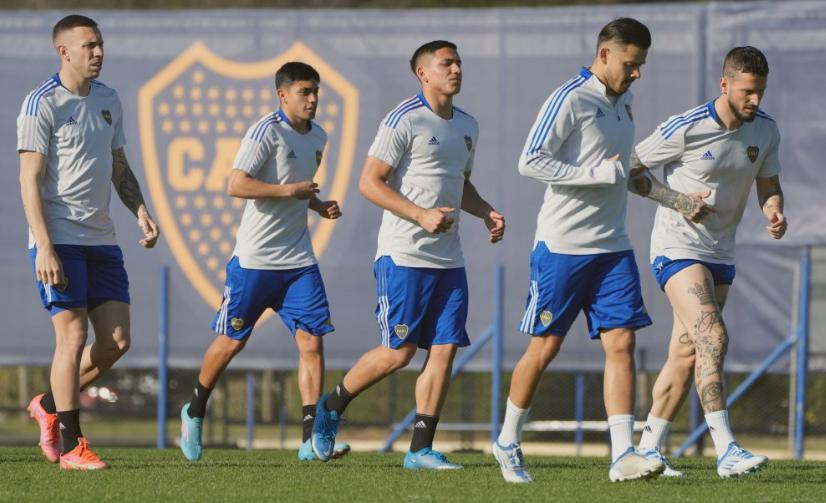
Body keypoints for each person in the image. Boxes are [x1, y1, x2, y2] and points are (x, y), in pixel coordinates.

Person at [311, 40, 505, 470]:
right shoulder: (403, 119)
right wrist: (419, 214)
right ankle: (330, 407)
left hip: (449, 260)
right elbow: (369, 182)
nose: (456, 69)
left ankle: (420, 450)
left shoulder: (468, 125)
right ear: (423, 73)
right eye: (446, 63)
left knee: (444, 349)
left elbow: (460, 185)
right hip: (403, 256)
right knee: (399, 353)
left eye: (458, 62)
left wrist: (485, 211)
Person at [491, 18, 663, 483]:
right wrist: (595, 174)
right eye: (631, 64)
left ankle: (623, 454)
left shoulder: (625, 102)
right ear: (605, 53)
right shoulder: (570, 96)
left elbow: (624, 172)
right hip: (563, 248)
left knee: (622, 343)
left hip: (614, 247)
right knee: (544, 348)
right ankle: (507, 440)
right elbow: (530, 160)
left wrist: (680, 202)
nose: (637, 75)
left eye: (641, 66)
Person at [178, 62, 350, 462]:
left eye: (316, 92)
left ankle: (309, 441)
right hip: (255, 261)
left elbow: (298, 190)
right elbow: (236, 184)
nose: (312, 99)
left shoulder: (319, 136)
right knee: (232, 342)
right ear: (282, 94)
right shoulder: (265, 131)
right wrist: (291, 190)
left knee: (312, 342)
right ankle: (195, 411)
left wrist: (317, 204)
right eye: (304, 91)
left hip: (299, 261)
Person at [629, 46, 784, 478]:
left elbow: (768, 184)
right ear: (725, 84)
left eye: (761, 92)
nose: (756, 101)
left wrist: (773, 210)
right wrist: (675, 199)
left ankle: (646, 452)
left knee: (686, 353)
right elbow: (628, 170)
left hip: (721, 253)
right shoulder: (688, 126)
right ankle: (726, 449)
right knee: (712, 335)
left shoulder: (766, 131)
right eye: (748, 92)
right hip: (676, 248)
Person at [19, 14, 160, 470]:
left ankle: (48, 404)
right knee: (73, 336)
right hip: (58, 238)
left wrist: (139, 210)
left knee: (117, 342)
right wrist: (44, 246)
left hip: (102, 239)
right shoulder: (41, 103)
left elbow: (118, 165)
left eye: (100, 44)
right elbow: (29, 179)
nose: (98, 52)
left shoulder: (109, 99)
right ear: (63, 51)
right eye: (89, 46)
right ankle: (73, 445)